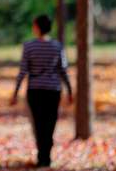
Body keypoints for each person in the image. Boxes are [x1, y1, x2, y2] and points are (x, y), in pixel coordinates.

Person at [11, 15, 73, 168]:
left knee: (38, 123)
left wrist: (15, 91)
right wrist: (70, 90)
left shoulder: (29, 46)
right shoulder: (57, 46)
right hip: (53, 90)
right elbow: (63, 70)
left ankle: (42, 157)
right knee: (50, 123)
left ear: (37, 27)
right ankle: (46, 156)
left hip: (35, 90)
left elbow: (23, 71)